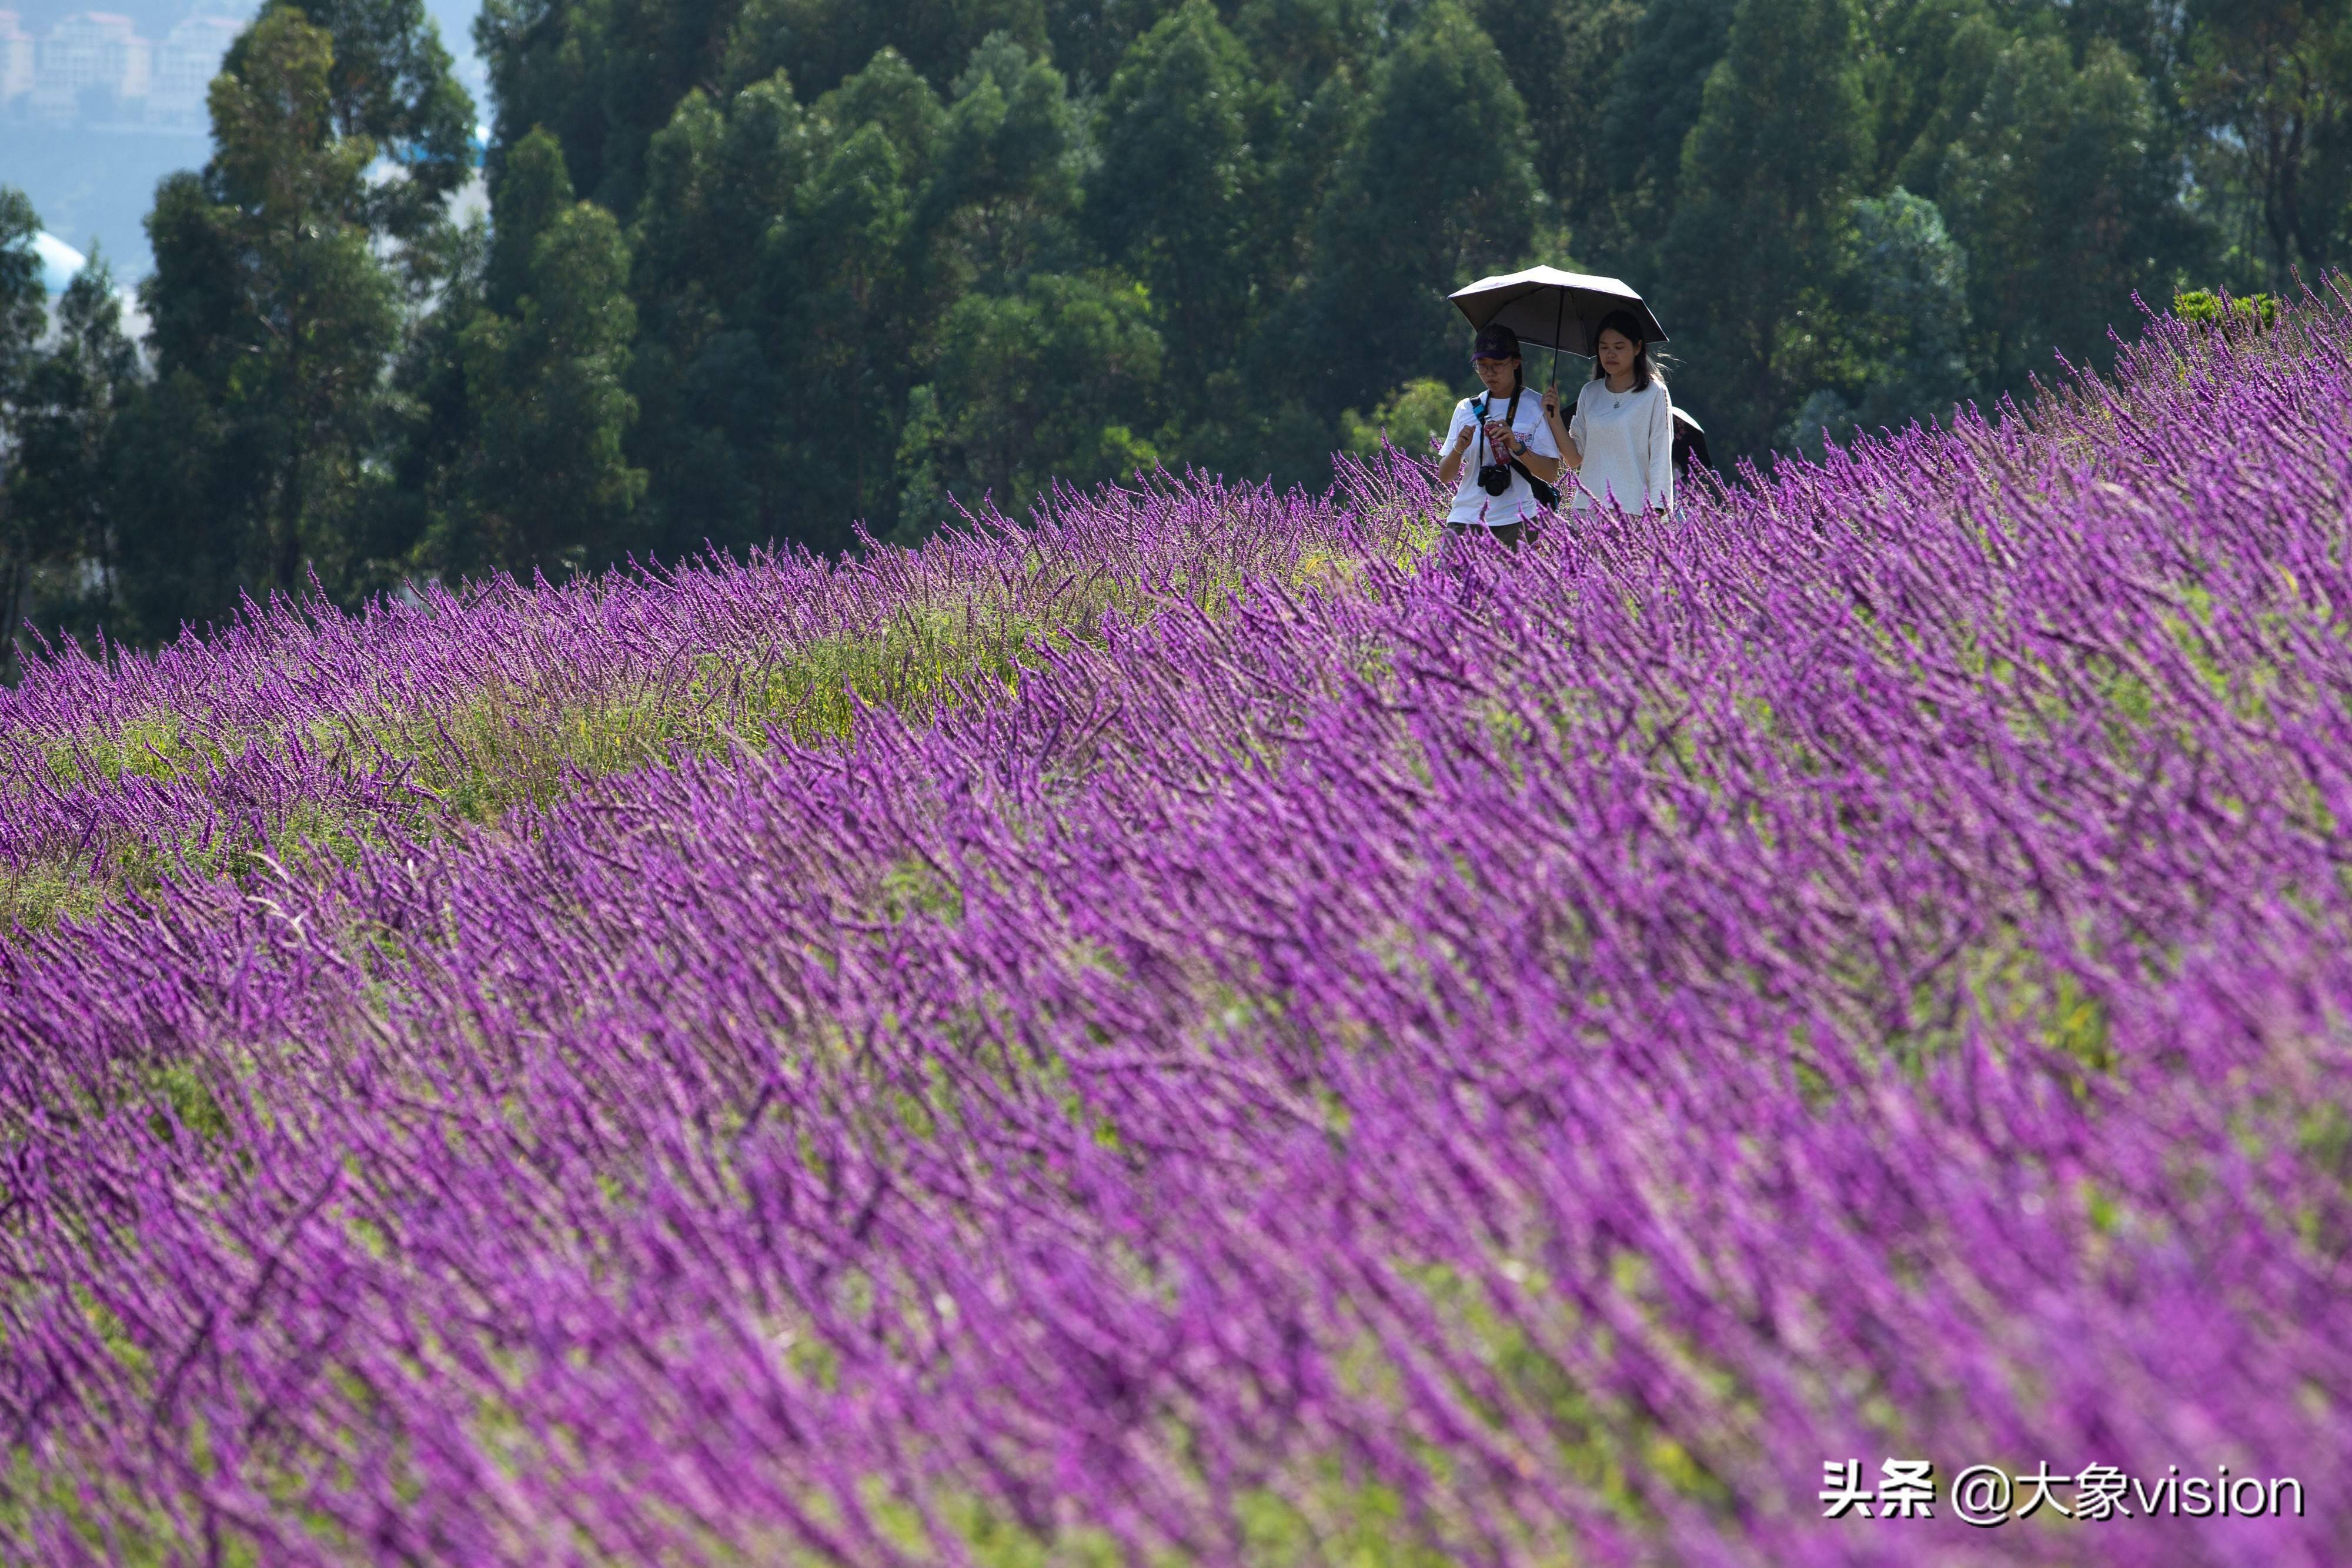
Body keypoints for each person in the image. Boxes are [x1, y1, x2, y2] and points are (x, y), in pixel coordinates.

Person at [1434, 323, 1562, 547]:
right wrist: (1458, 449)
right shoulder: (1466, 408)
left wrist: (1516, 446)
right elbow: (1445, 476)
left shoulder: (1536, 406)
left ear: (1515, 362)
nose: (1490, 373)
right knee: (1447, 582)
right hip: (1466, 520)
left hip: (1517, 522)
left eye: (1498, 365)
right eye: (1482, 366)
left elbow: (1551, 473)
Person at [1541, 309, 1672, 517]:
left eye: (1619, 347)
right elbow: (1575, 458)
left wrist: (1659, 509)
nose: (1610, 354)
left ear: (1638, 347)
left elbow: (1660, 455)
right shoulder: (1590, 392)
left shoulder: (1654, 393)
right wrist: (1554, 416)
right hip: (1588, 508)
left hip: (1633, 509)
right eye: (1604, 347)